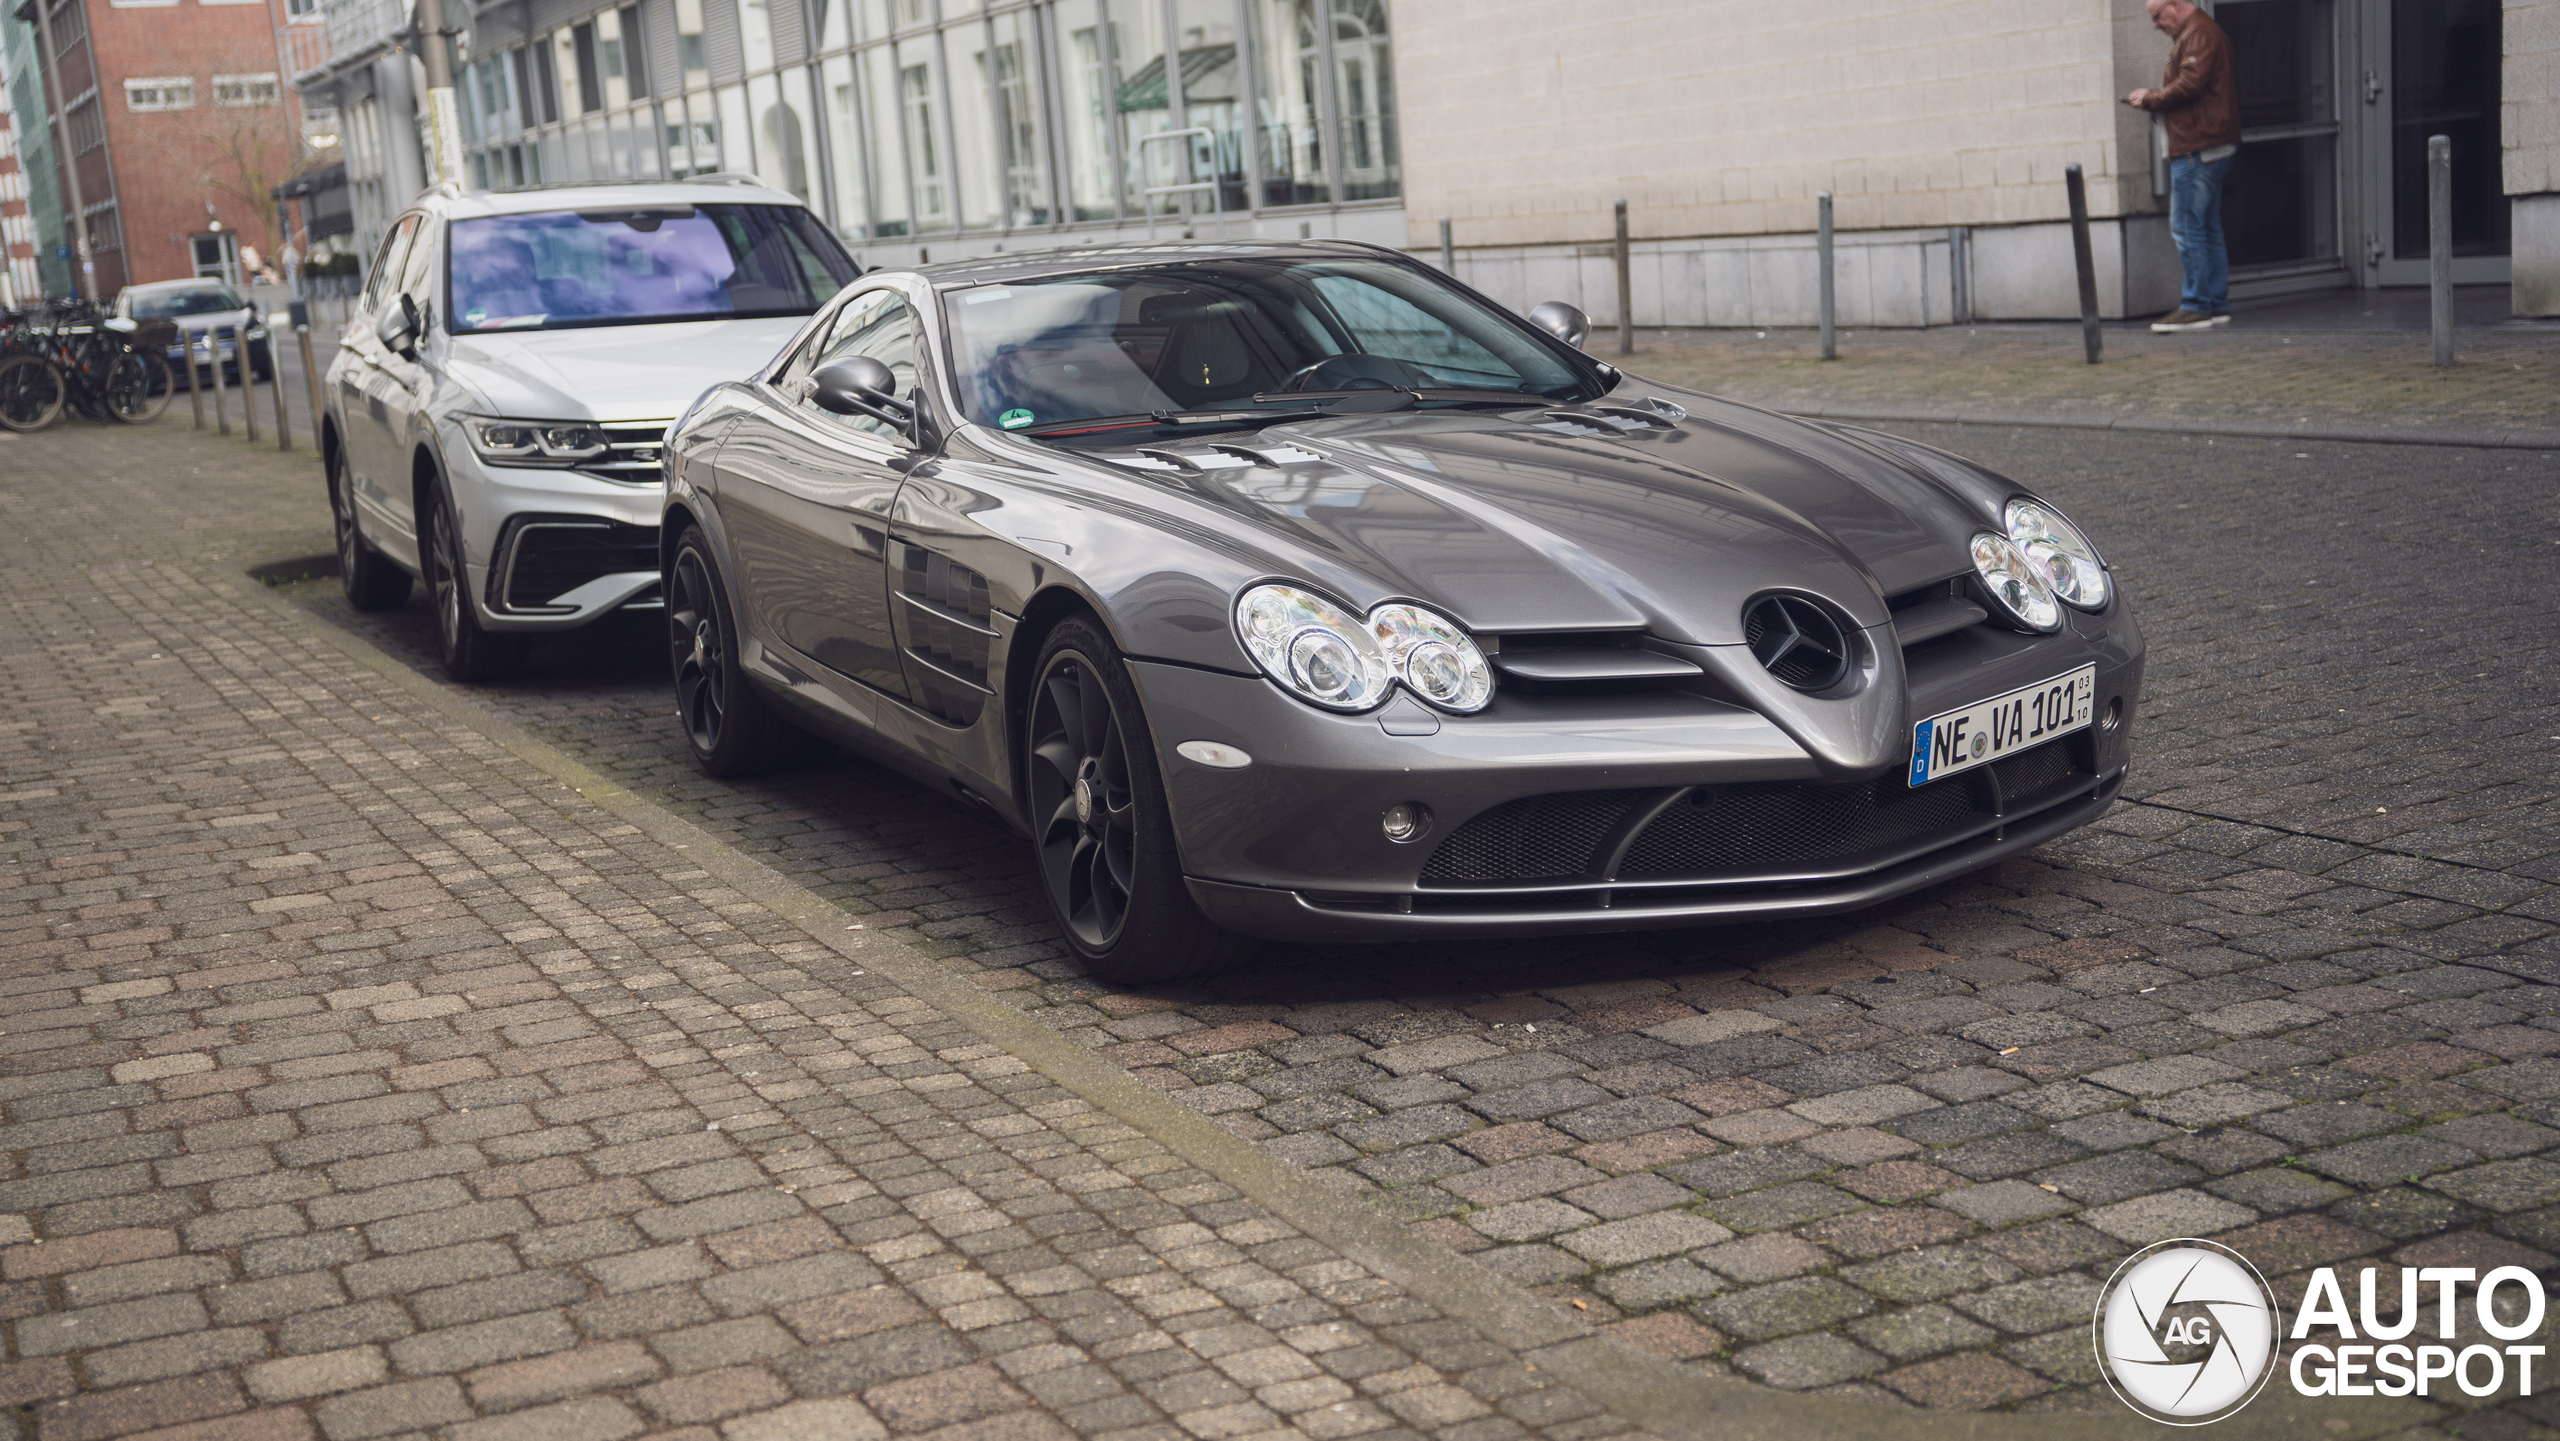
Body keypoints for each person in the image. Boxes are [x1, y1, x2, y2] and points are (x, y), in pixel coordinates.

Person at [2125, 0, 2240, 332]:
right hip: (2211, 147)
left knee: (2187, 227)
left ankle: (2196, 306)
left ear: (2175, 5)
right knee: (2207, 227)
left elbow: (2190, 85)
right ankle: (2216, 304)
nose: (2155, 25)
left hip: (2197, 148)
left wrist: (2150, 98)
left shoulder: (2198, 34)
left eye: (2157, 16)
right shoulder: (2201, 32)